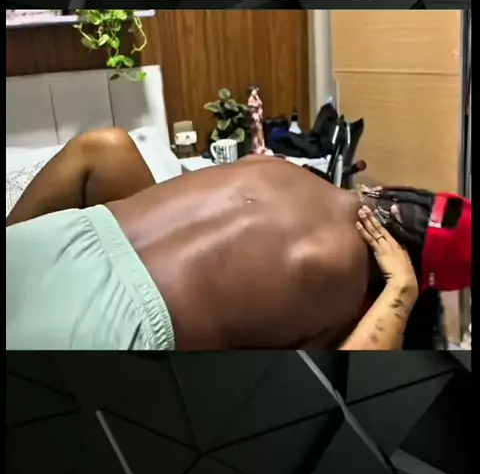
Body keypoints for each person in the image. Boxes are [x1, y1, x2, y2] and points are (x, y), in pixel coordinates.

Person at [6, 128, 471, 352]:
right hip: (103, 330)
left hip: (55, 241)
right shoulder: (344, 288)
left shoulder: (279, 167)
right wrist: (400, 292)